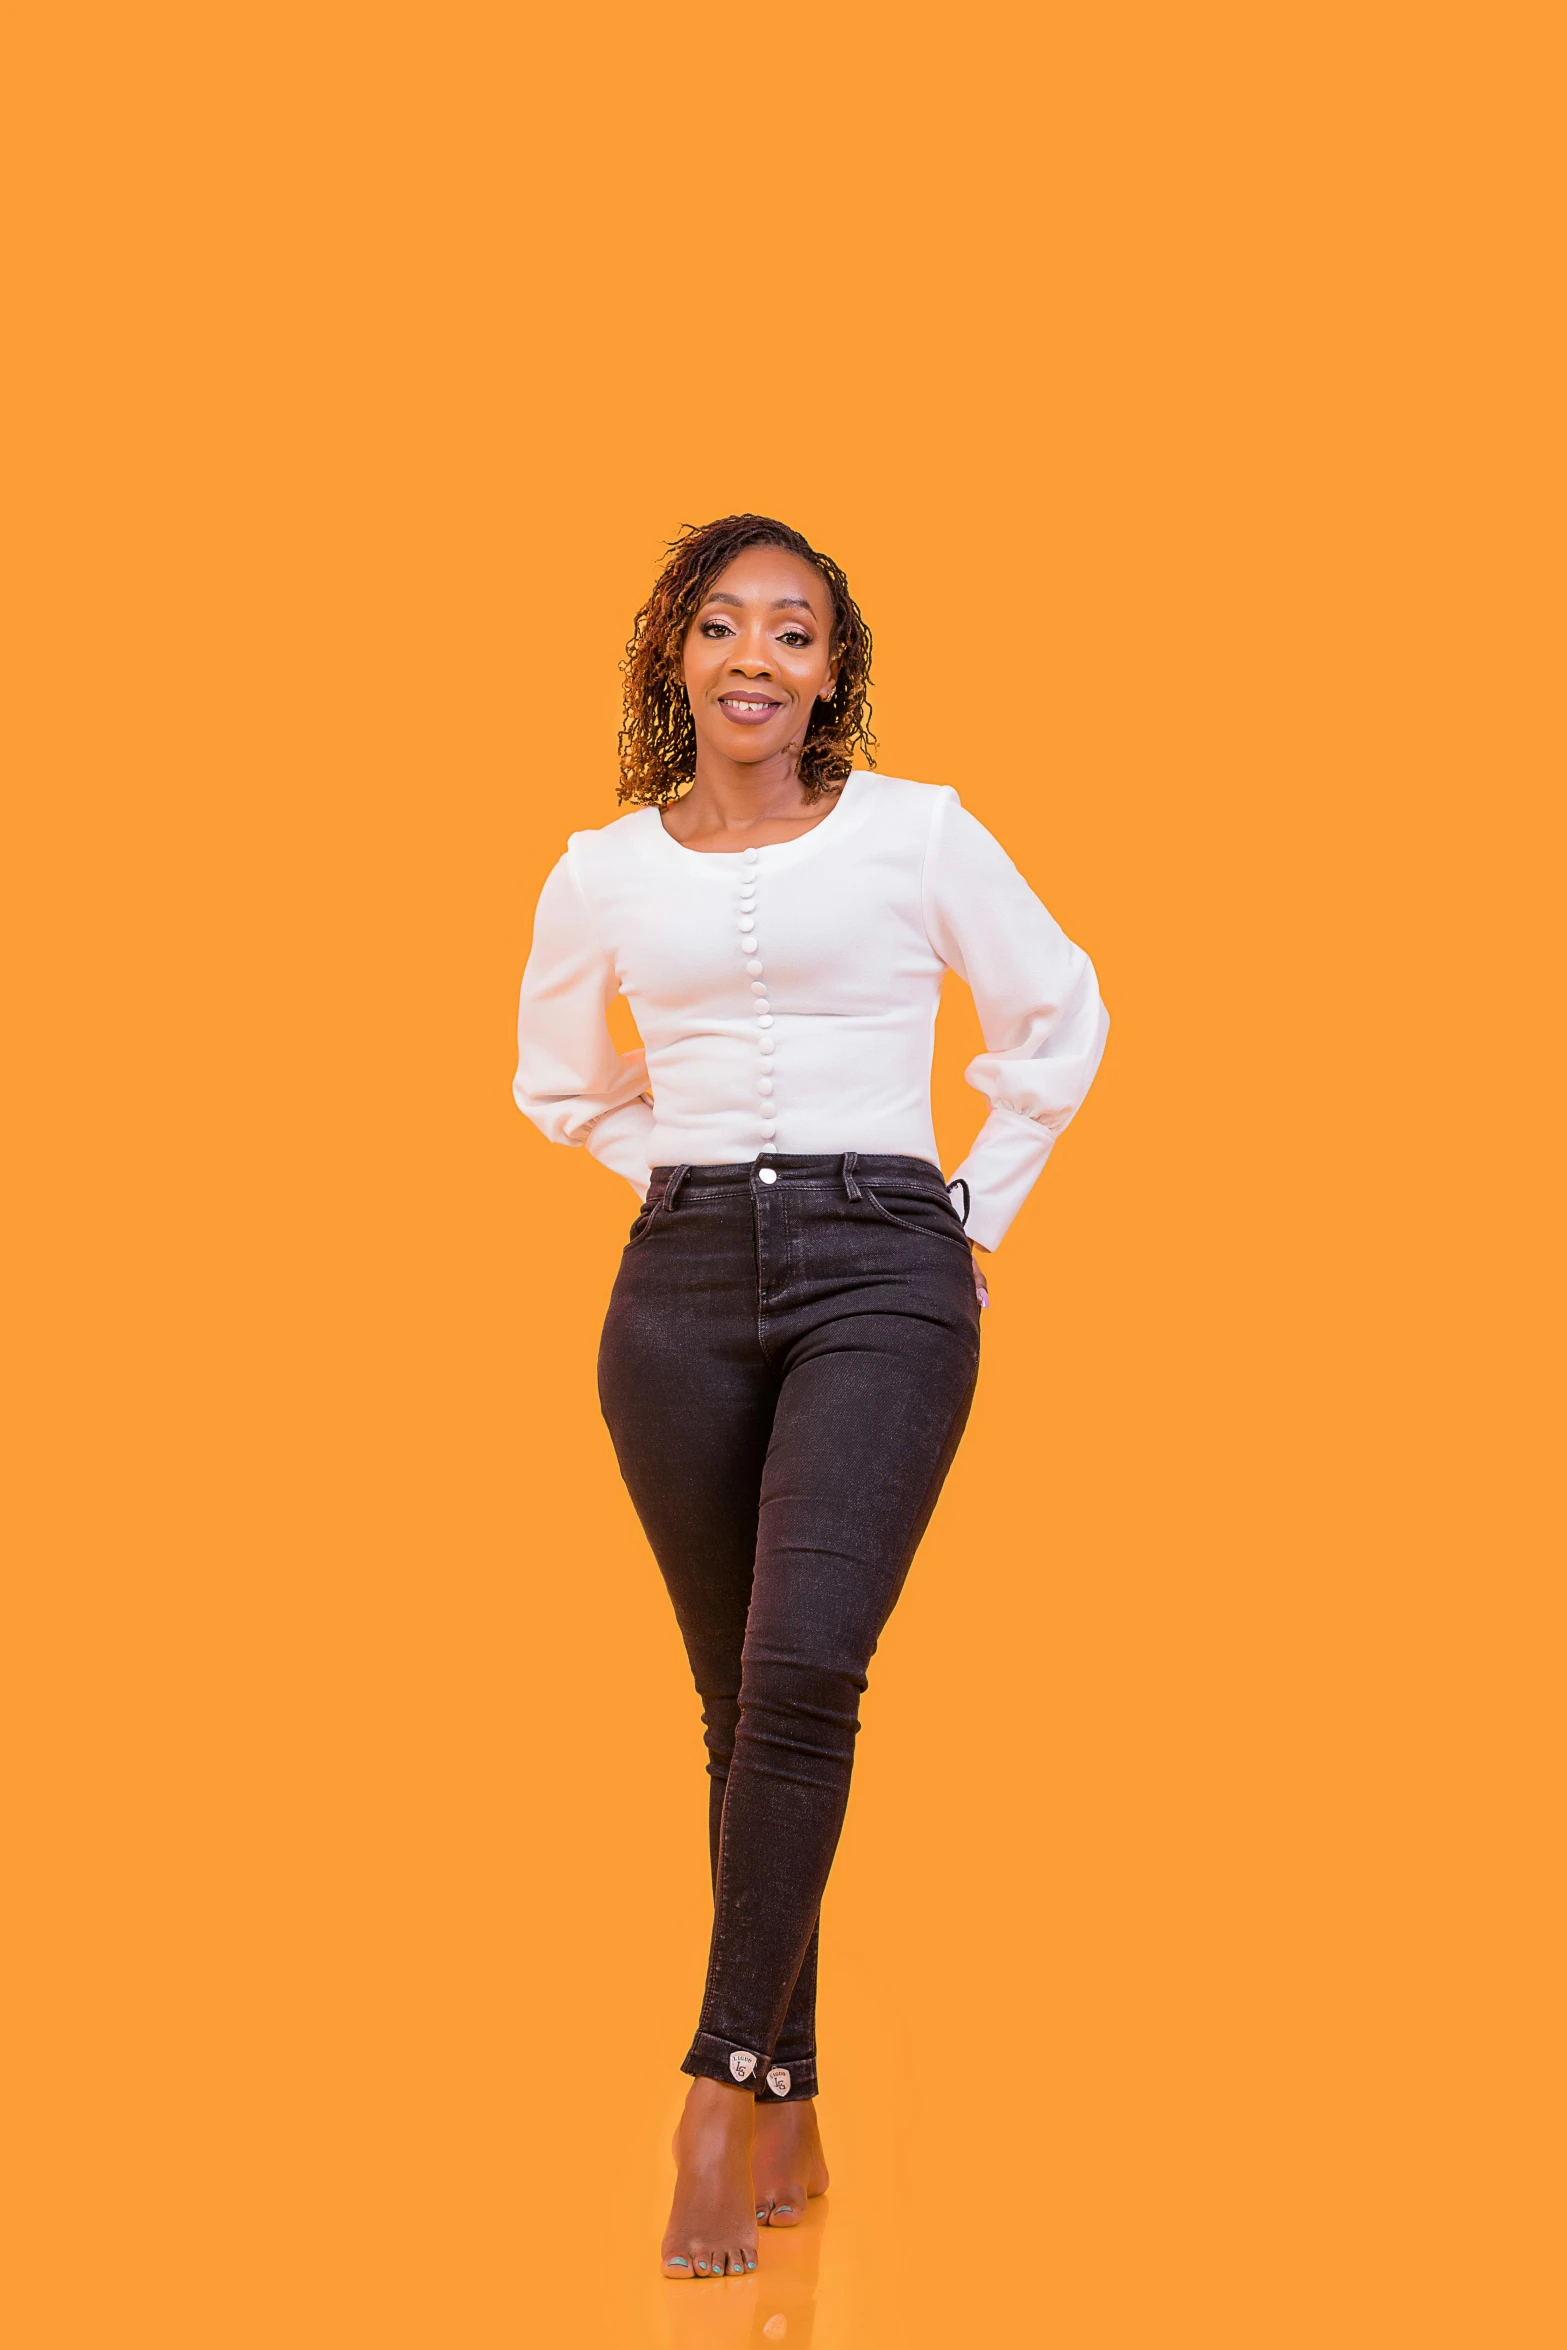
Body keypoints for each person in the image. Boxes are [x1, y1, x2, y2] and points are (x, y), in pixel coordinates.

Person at [513, 514, 1108, 2279]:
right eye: (722, 626)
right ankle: (795, 2086)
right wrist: (679, 1176)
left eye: (793, 629)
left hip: (883, 1266)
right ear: (673, 661)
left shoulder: (921, 832)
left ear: (830, 670)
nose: (756, 655)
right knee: (736, 1701)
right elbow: (556, 1081)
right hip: (678, 1292)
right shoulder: (599, 870)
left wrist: (964, 1209)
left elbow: (1057, 1016)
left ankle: (714, 2086)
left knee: (799, 1672)